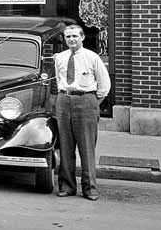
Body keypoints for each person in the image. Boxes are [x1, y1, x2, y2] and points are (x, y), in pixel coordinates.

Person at [55, 24, 110, 201]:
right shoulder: (60, 58)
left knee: (86, 147)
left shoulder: (92, 57)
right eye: (68, 37)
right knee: (65, 146)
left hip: (86, 100)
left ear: (82, 37)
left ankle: (90, 188)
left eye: (75, 36)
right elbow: (58, 80)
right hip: (64, 100)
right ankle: (66, 186)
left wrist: (92, 103)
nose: (71, 39)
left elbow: (104, 85)